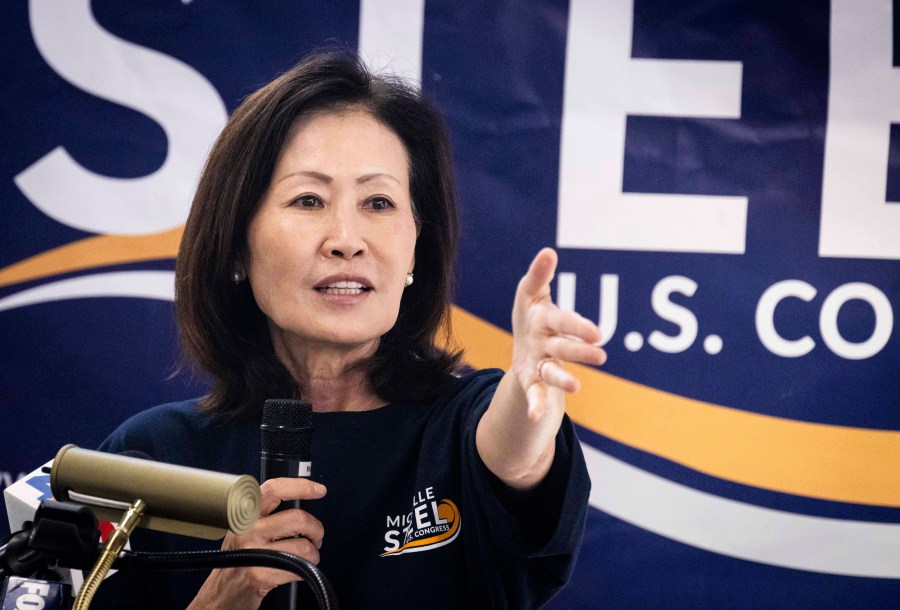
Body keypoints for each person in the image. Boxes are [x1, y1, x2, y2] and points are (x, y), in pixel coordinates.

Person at [94, 50, 606, 609]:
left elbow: (514, 452)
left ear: (416, 248)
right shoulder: (149, 458)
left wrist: (530, 399)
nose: (346, 239)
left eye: (379, 202)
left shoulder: (461, 422)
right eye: (308, 200)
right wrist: (222, 597)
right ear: (238, 245)